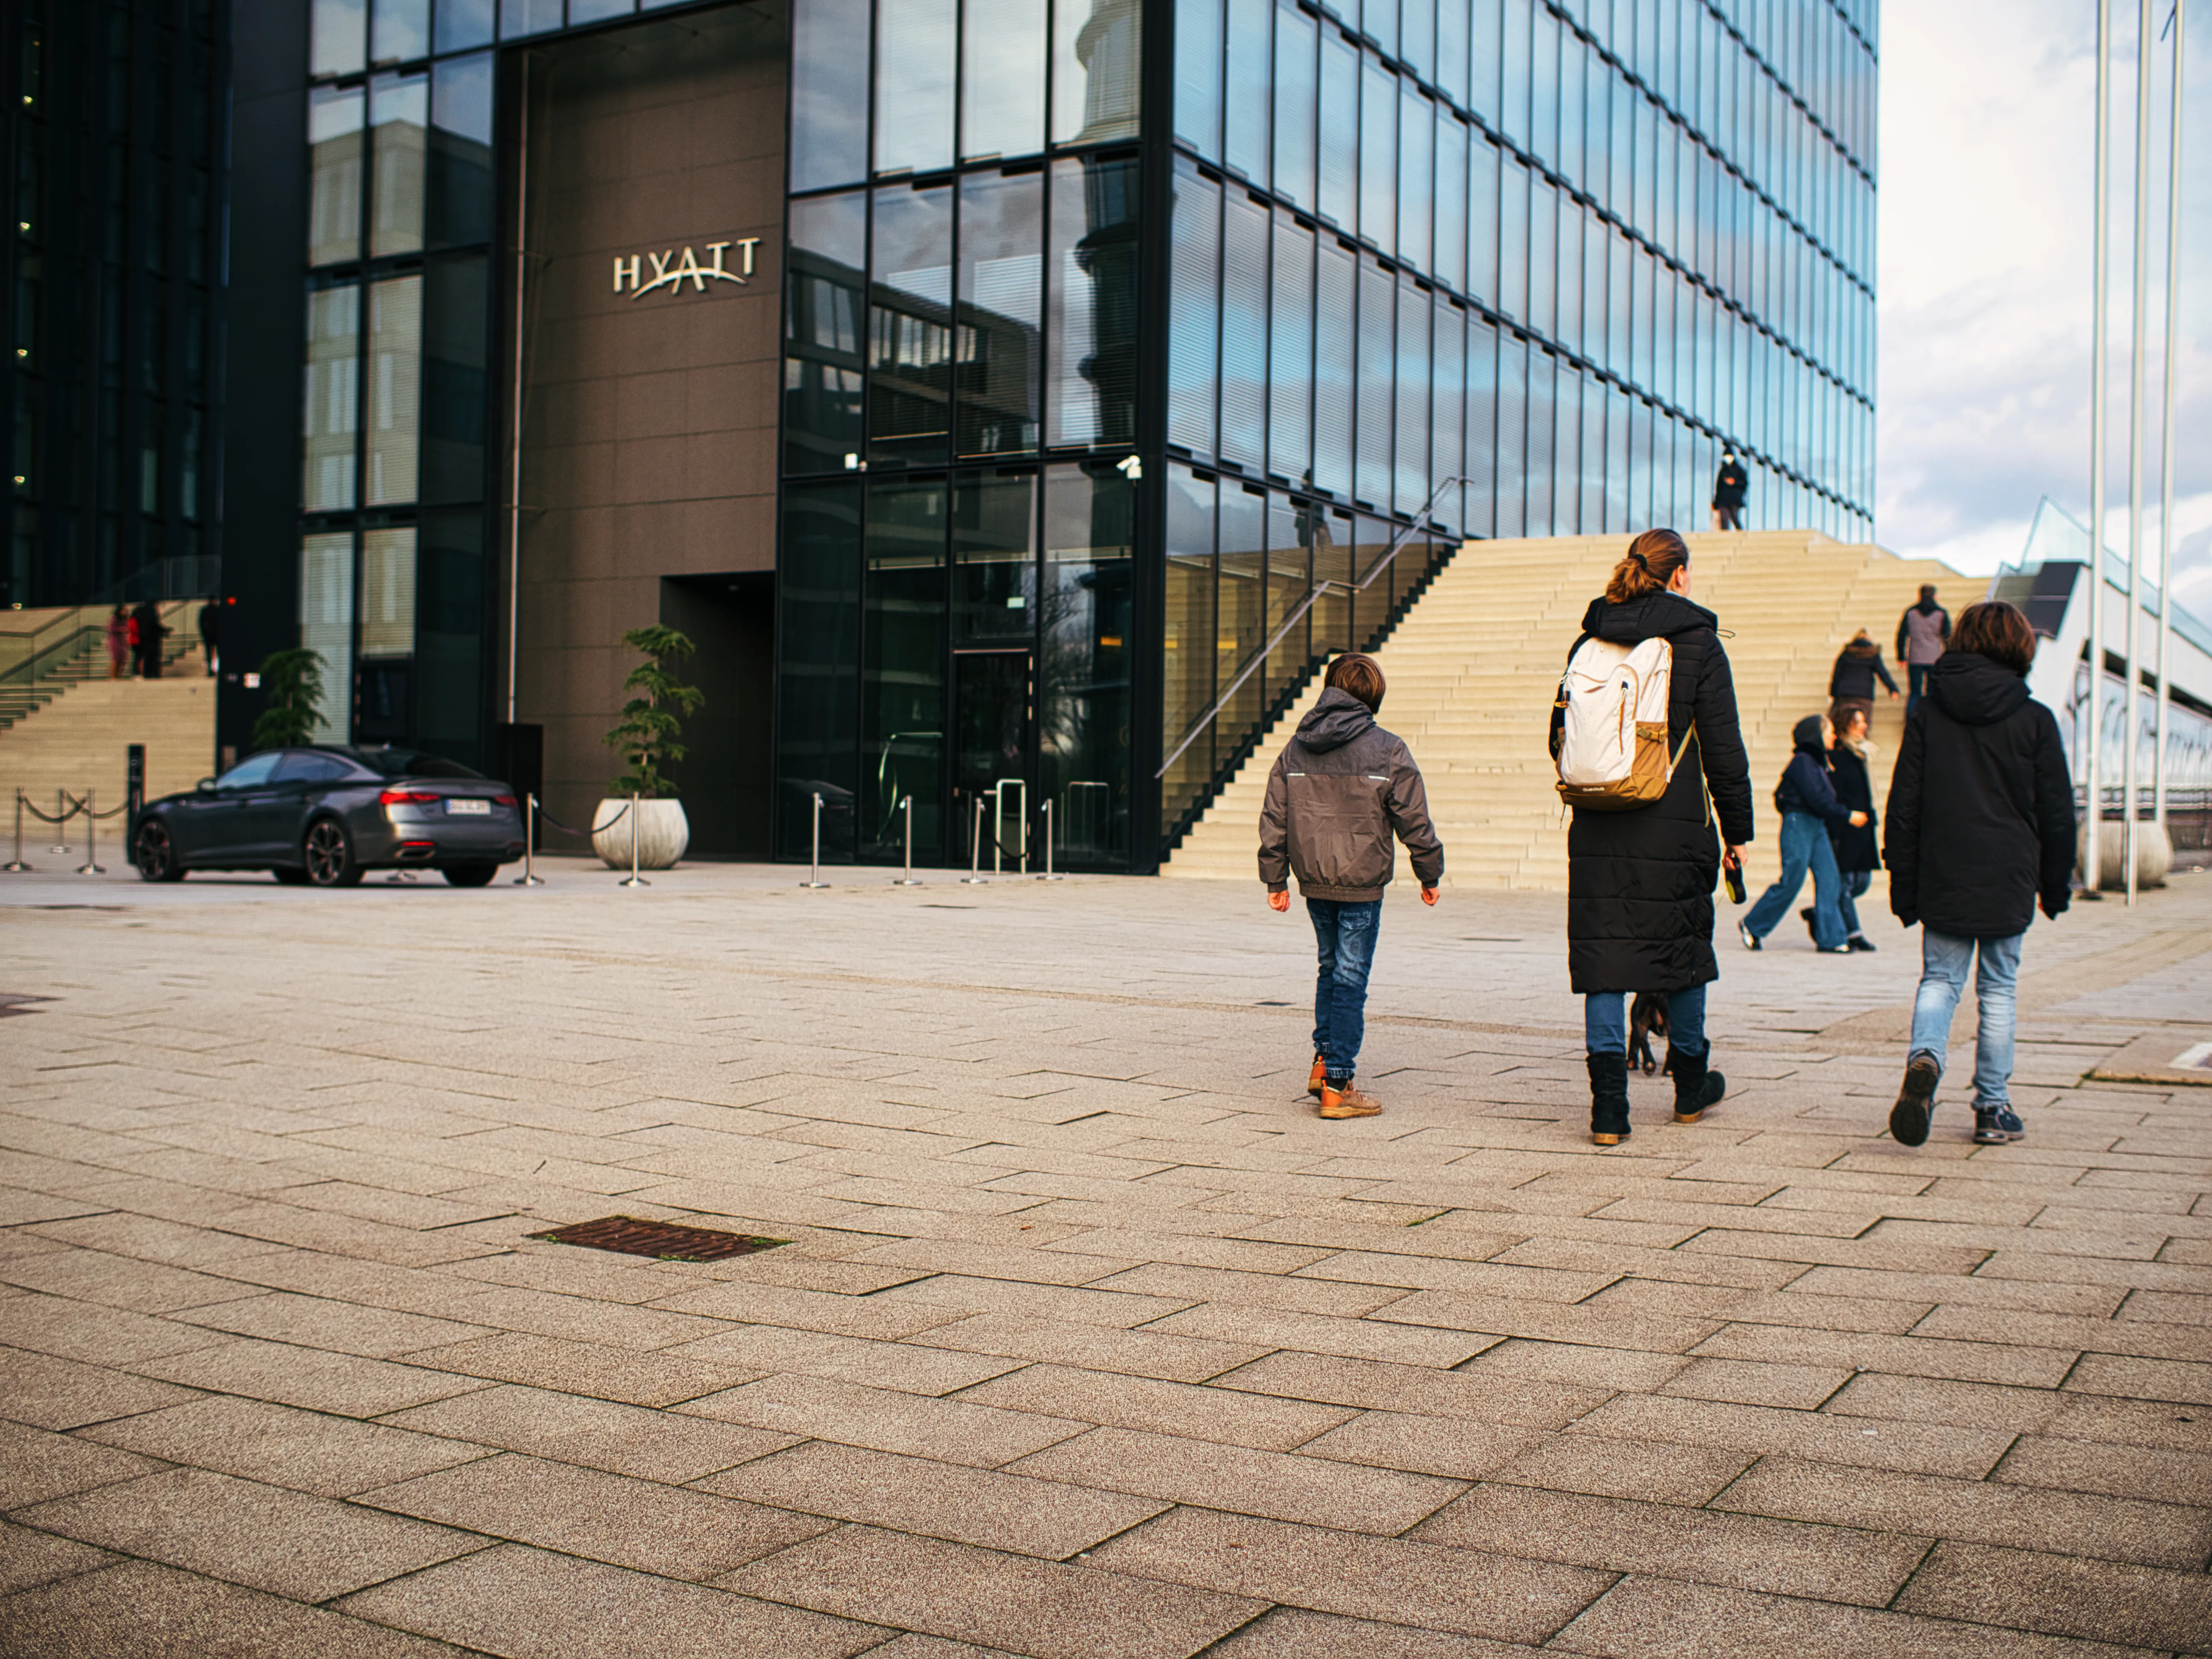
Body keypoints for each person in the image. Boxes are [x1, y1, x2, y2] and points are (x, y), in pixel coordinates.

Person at [1558, 530, 1753, 1146]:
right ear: (1681, 576)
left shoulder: (1589, 638)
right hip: (1675, 822)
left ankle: (1609, 1111)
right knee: (1683, 954)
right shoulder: (1698, 643)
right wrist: (1738, 831)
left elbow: (1559, 734)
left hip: (1597, 820)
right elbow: (1724, 748)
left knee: (1604, 961)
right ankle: (1690, 1089)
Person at [1885, 600, 2075, 1149]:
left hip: (1945, 868)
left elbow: (1905, 803)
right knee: (1998, 991)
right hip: (2008, 871)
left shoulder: (1928, 712)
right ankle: (1992, 1107)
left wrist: (1903, 879)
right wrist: (2055, 885)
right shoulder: (2035, 718)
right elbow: (2057, 812)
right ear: (2019, 646)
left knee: (1940, 980)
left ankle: (1925, 1057)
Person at [1259, 652, 1444, 1121]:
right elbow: (1413, 817)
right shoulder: (1388, 748)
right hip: (1362, 883)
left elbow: (1275, 816)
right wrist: (1429, 871)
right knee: (1350, 977)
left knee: (1329, 968)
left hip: (1314, 879)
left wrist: (1274, 876)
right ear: (1373, 697)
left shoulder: (1296, 748)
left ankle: (1324, 1064)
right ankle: (1339, 1083)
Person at [1740, 713, 1866, 955]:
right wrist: (1846, 815)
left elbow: (1823, 799)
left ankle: (1832, 939)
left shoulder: (1817, 763)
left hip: (1816, 825)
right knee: (1792, 881)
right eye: (1829, 731)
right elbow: (1817, 798)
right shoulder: (1802, 761)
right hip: (1799, 823)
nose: (1834, 735)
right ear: (1816, 735)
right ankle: (1753, 925)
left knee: (1831, 879)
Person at [1810, 704, 1880, 952]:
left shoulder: (1859, 754)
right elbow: (1834, 796)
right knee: (1845, 884)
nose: (1864, 726)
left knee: (1862, 882)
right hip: (1845, 827)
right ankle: (1854, 933)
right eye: (1857, 722)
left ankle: (1821, 910)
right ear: (1843, 727)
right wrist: (1841, 821)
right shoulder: (1837, 757)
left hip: (1862, 827)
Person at [1826, 629, 1899, 734]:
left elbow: (1837, 674)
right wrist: (1892, 688)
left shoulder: (1847, 653)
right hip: (1864, 695)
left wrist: (1833, 693)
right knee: (1863, 724)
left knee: (1840, 724)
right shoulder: (1872, 654)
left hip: (1845, 693)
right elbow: (1883, 673)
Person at [1896, 585, 1950, 717]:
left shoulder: (1910, 613)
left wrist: (1901, 657)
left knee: (1915, 692)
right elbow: (1948, 637)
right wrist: (1949, 657)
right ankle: (1930, 719)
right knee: (1932, 692)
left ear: (1919, 595)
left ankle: (1911, 720)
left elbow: (1902, 635)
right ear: (1935, 596)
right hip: (1934, 658)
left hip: (1915, 658)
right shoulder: (1941, 613)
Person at [1711, 449, 1748, 531]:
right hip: (1723, 500)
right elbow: (1719, 487)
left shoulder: (1739, 470)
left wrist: (1735, 483)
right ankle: (1725, 535)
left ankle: (1740, 532)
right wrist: (1716, 502)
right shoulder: (1723, 471)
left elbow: (1745, 483)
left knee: (1734, 516)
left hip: (1735, 499)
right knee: (1724, 518)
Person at [131, 599, 167, 679]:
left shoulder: (142, 612)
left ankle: (148, 673)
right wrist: (163, 630)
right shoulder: (151, 612)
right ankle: (153, 673)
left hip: (144, 637)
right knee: (152, 656)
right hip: (152, 638)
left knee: (147, 657)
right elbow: (153, 624)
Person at [105, 605, 129, 680]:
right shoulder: (114, 619)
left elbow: (128, 628)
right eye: (123, 610)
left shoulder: (125, 620)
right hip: (114, 641)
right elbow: (111, 629)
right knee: (116, 659)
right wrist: (121, 629)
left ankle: (118, 675)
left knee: (123, 659)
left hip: (121, 641)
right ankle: (113, 676)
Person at [197, 600, 220, 676]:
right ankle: (216, 669)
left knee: (209, 654)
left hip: (208, 635)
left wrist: (204, 634)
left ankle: (210, 670)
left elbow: (201, 623)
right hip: (217, 635)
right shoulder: (218, 610)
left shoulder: (205, 611)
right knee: (218, 653)